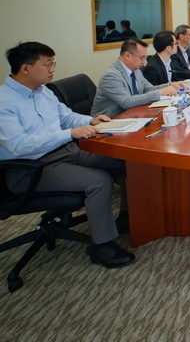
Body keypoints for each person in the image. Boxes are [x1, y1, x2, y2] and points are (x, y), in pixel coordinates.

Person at [0, 42, 135, 268]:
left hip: (65, 151)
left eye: (53, 63)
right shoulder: (4, 101)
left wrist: (91, 120)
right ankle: (101, 246)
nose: (53, 69)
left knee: (126, 160)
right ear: (25, 68)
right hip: (30, 168)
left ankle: (126, 217)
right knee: (99, 181)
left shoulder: (43, 91)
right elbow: (19, 146)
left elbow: (66, 117)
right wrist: (70, 133)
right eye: (48, 64)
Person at [91, 39, 183, 118]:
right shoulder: (111, 76)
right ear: (128, 55)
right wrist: (159, 92)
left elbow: (148, 89)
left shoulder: (135, 71)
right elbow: (126, 102)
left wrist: (170, 85)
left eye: (145, 58)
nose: (144, 62)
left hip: (132, 117)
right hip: (109, 122)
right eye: (142, 58)